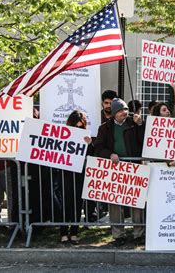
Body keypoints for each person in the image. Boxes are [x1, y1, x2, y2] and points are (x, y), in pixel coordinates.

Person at [94, 98, 145, 246]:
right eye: (121, 110)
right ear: (115, 113)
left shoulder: (134, 123)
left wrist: (140, 125)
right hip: (114, 169)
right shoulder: (105, 128)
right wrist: (109, 154)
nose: (125, 112)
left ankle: (139, 233)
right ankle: (118, 234)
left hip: (134, 166)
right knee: (115, 203)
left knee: (136, 201)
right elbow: (99, 147)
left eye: (125, 110)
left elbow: (144, 141)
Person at [54, 111, 93, 244]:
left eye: (80, 127)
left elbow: (92, 155)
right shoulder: (62, 136)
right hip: (65, 173)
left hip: (79, 173)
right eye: (75, 127)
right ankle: (63, 233)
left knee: (77, 203)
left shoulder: (87, 138)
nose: (78, 130)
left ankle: (74, 232)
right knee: (65, 203)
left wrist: (89, 145)